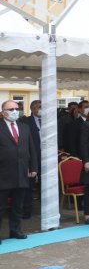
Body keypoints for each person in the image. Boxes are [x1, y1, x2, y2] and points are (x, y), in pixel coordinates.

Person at [0, 100, 38, 241]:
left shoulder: (24, 127)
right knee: (1, 206)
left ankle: (15, 230)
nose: (15, 111)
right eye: (11, 109)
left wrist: (34, 167)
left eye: (17, 108)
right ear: (3, 112)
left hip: (22, 173)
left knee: (18, 205)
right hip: (3, 174)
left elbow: (31, 149)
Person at [19, 100, 41, 219]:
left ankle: (45, 208)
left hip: (46, 157)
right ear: (33, 109)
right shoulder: (26, 122)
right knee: (28, 185)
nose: (42, 109)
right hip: (32, 157)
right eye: (39, 107)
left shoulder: (49, 121)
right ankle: (26, 210)